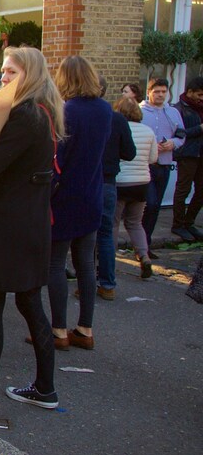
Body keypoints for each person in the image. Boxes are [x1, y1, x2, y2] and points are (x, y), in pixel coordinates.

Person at [0, 46, 62, 410]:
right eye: (3, 71)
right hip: (32, 223)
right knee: (31, 303)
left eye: (11, 72)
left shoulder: (25, 115)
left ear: (29, 75)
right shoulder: (44, 114)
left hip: (8, 224)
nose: (3, 78)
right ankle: (45, 388)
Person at [47, 55, 111, 352]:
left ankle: (58, 330)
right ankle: (85, 328)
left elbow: (59, 157)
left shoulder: (67, 110)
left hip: (66, 196)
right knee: (86, 263)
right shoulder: (105, 109)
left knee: (56, 264)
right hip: (92, 192)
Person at [95, 77, 136, 300]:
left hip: (89, 181)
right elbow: (129, 152)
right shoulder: (117, 119)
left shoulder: (76, 113)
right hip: (108, 181)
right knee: (105, 235)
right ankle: (107, 284)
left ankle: (86, 283)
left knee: (86, 236)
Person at [139, 78, 185, 253]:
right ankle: (140, 242)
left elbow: (181, 135)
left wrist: (172, 143)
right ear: (149, 92)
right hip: (146, 164)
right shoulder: (140, 111)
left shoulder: (172, 112)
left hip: (164, 164)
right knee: (149, 203)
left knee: (156, 205)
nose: (160, 95)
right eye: (156, 91)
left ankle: (146, 243)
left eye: (163, 92)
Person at [114, 97, 157, 279]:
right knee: (135, 223)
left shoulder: (116, 129)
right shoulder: (148, 131)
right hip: (141, 183)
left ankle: (109, 259)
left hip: (120, 182)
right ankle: (144, 257)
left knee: (112, 224)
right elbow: (153, 158)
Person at [171, 77, 203, 241]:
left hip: (201, 153)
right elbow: (179, 132)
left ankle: (189, 222)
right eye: (199, 94)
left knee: (201, 191)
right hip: (187, 154)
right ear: (189, 92)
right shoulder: (178, 109)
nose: (201, 98)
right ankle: (178, 224)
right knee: (183, 189)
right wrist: (199, 128)